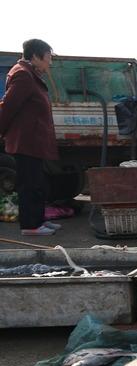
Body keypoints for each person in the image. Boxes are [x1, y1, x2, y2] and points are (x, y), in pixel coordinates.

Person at [0, 39, 59, 236]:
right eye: (48, 58)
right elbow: (7, 107)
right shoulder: (23, 75)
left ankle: (39, 221)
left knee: (38, 183)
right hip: (25, 142)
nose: (49, 63)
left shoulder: (30, 74)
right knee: (29, 185)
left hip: (33, 142)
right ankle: (30, 226)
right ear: (35, 56)